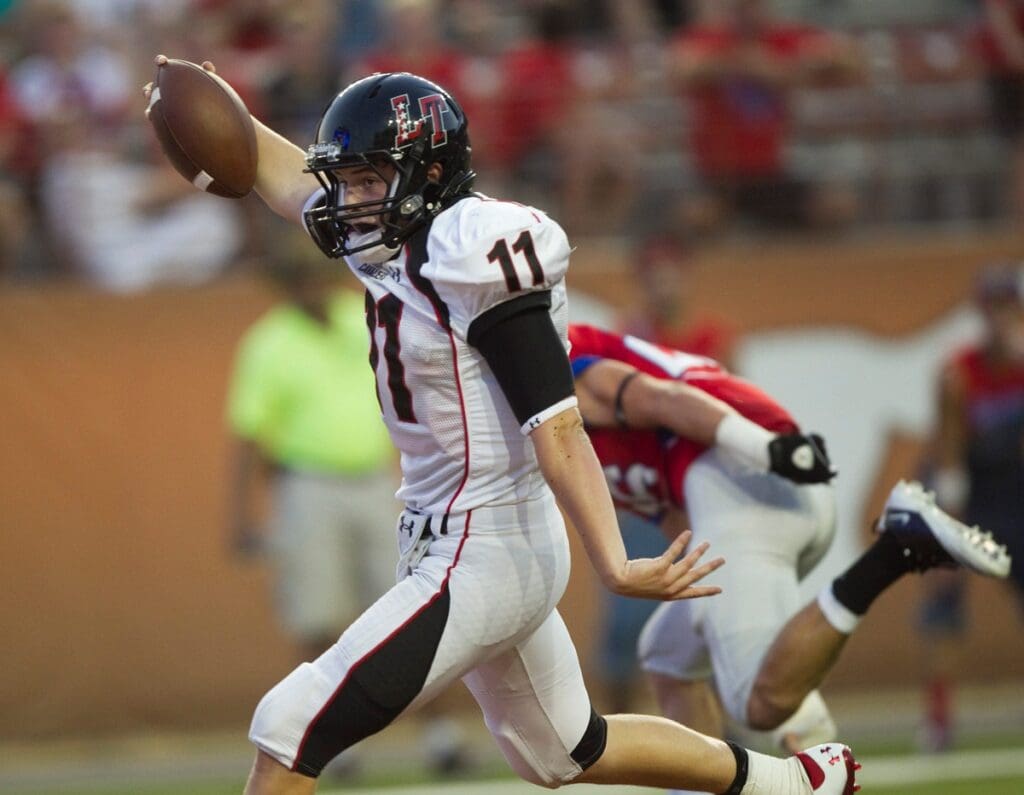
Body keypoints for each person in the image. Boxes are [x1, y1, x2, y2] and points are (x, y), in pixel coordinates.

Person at [145, 58, 860, 795]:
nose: (347, 200)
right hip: (454, 538)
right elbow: (280, 170)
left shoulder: (474, 251)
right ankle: (799, 783)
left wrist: (614, 563)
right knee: (564, 750)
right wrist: (195, 92)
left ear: (425, 176)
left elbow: (557, 423)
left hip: (485, 545)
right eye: (347, 179)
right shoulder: (387, 236)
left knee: (288, 727)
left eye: (365, 181)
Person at [567, 323, 1012, 771]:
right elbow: (670, 509)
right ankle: (815, 754)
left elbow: (664, 398)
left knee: (755, 705)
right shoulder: (552, 417)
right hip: (742, 496)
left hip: (742, 479)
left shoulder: (564, 372)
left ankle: (896, 549)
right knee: (667, 652)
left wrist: (769, 448)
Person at [915, 261, 1024, 751]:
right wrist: (948, 539)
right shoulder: (959, 374)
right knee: (943, 605)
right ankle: (939, 720)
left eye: (1010, 308)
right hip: (972, 493)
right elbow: (951, 457)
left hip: (1017, 491)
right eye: (993, 308)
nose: (1001, 318)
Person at [669, 0, 860, 233]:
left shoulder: (782, 39)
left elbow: (848, 62)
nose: (747, 14)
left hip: (771, 173)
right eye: (740, 8)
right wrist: (736, 65)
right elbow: (683, 69)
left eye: (753, 6)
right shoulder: (709, 39)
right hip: (717, 176)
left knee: (836, 206)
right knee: (697, 216)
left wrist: (785, 70)